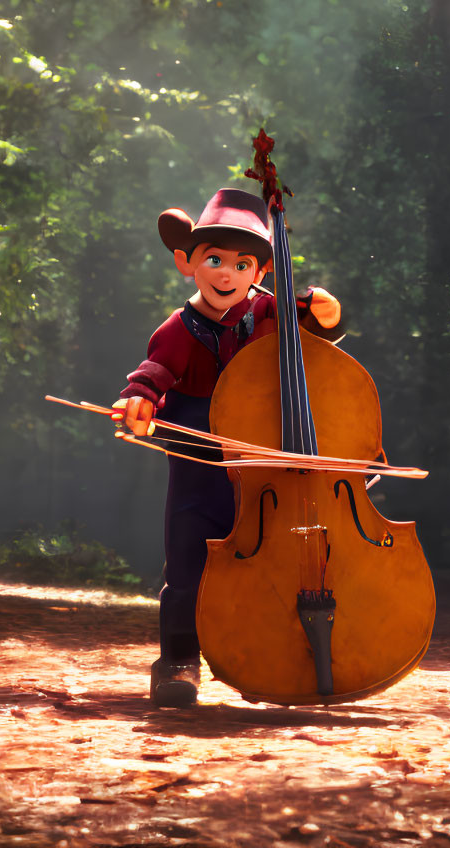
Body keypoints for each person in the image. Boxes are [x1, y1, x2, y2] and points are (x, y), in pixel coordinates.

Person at [112, 187, 342, 708]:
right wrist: (139, 400)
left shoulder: (269, 312)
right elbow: (154, 373)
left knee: (276, 561)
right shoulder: (178, 327)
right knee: (188, 561)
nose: (225, 274)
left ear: (259, 271)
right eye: (213, 260)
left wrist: (324, 314)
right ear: (186, 261)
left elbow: (314, 332)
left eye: (242, 265)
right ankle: (177, 661)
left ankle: (277, 657)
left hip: (263, 456)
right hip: (198, 456)